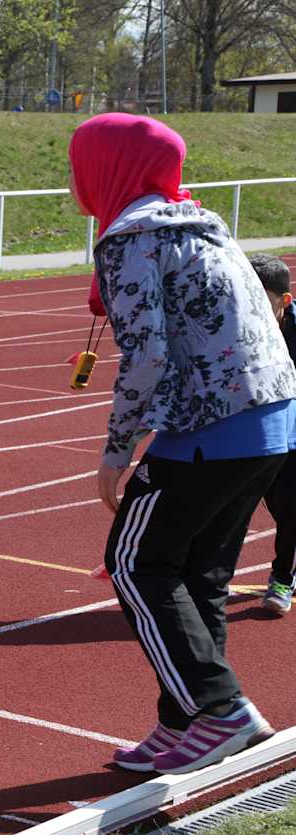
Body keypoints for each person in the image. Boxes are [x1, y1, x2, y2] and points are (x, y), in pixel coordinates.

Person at [72, 114, 293, 775]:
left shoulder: (130, 239)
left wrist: (117, 451)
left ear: (103, 168)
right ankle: (184, 724)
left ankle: (221, 709)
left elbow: (147, 357)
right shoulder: (197, 223)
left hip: (212, 429)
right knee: (199, 575)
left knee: (137, 563)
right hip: (273, 422)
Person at [250, 254, 296, 615]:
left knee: (292, 510)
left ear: (285, 300)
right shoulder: (237, 325)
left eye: (262, 301)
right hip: (254, 431)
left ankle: (282, 577)